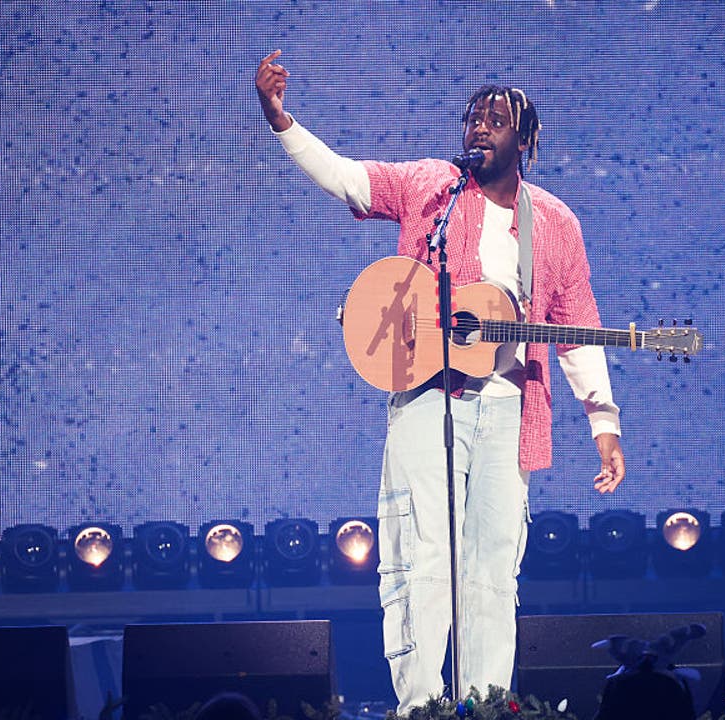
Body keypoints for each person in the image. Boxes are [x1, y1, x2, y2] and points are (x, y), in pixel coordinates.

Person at [255, 51, 626, 711]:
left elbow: (577, 328)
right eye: (473, 119)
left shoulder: (556, 224)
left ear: (525, 140)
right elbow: (348, 179)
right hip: (427, 396)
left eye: (496, 121)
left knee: (492, 573)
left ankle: (487, 704)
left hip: (511, 409)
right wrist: (281, 120)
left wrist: (604, 423)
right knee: (421, 560)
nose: (479, 128)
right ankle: (421, 706)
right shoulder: (432, 185)